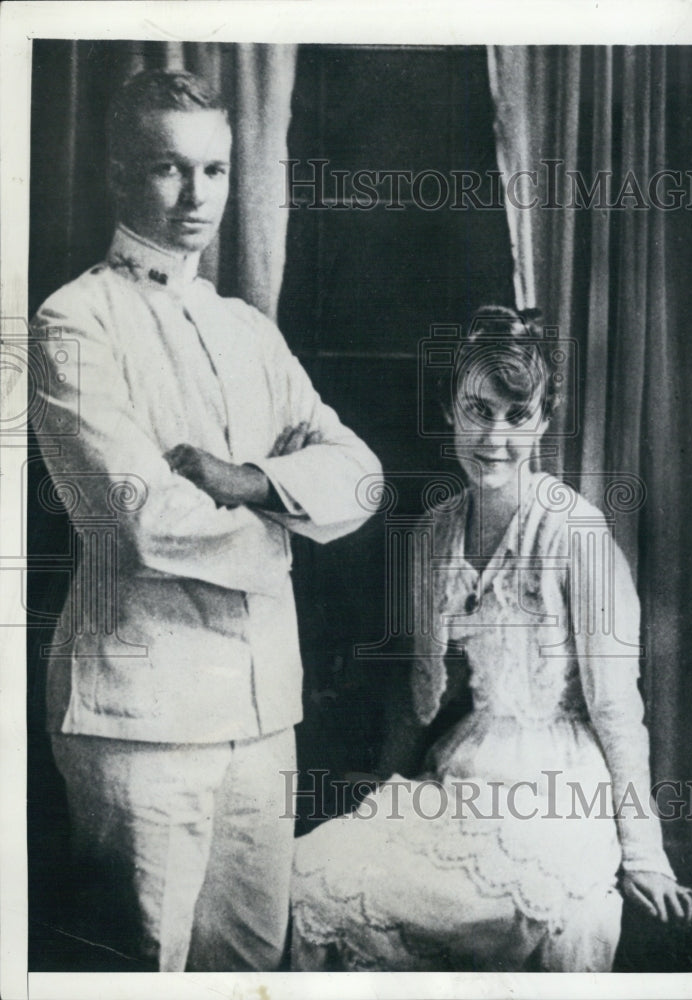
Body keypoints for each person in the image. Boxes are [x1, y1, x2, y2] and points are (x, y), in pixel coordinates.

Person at [30, 68, 381, 972]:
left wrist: (255, 482)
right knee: (142, 964)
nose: (196, 197)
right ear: (117, 175)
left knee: (254, 967)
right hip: (138, 716)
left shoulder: (247, 331)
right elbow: (141, 522)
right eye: (168, 169)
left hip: (263, 713)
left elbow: (363, 477)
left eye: (216, 171)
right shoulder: (73, 322)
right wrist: (287, 527)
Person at [289, 306, 692, 972]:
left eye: (517, 416)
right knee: (308, 878)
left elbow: (618, 711)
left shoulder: (576, 534)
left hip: (558, 784)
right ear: (450, 410)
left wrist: (645, 856)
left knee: (522, 909)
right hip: (461, 770)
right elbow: (425, 692)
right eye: (478, 411)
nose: (495, 437)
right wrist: (383, 783)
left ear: (542, 419)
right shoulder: (432, 535)